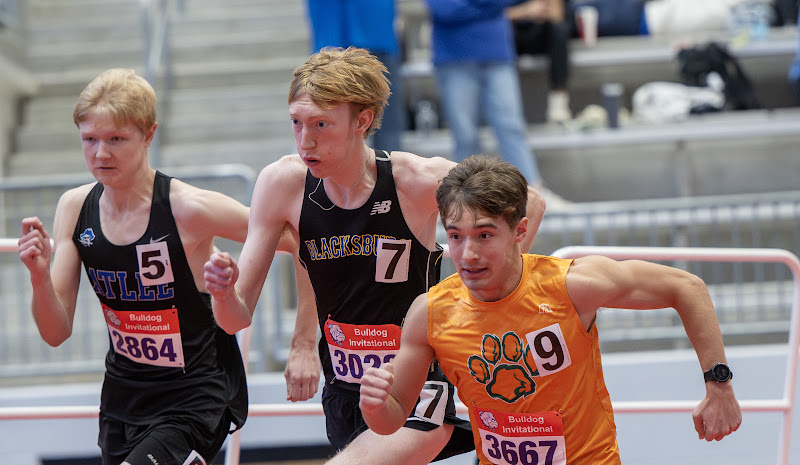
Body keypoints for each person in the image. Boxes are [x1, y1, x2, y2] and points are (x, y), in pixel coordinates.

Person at [202, 47, 546, 463]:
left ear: (362, 121)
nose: (305, 140)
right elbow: (236, 317)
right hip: (345, 391)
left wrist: (482, 297)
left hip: (418, 389)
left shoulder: (414, 180)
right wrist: (222, 294)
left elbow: (529, 201)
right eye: (296, 123)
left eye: (321, 125)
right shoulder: (281, 184)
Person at [359, 155, 743, 464]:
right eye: (455, 237)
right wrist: (374, 404)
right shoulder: (430, 312)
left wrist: (719, 385)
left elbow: (686, 287)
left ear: (520, 231)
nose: (467, 254)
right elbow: (391, 420)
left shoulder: (572, 285)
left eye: (484, 235)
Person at [17, 68, 270, 465]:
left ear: (149, 134)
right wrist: (38, 278)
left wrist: (290, 327)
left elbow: (294, 233)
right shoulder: (74, 208)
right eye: (90, 140)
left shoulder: (188, 207)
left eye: (116, 139)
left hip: (192, 400)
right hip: (121, 401)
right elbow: (54, 333)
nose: (101, 153)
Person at [423, 0, 546, 191]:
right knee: (465, 135)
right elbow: (443, 9)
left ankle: (532, 192)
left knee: (511, 128)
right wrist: (491, 7)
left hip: (497, 54)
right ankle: (468, 197)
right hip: (454, 58)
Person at [305, 0, 406, 151]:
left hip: (376, 32)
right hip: (333, 38)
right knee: (330, 123)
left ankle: (388, 170)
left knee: (386, 121)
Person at [508, 0, 573, 123]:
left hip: (541, 32)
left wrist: (540, 14)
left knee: (559, 30)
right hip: (512, 35)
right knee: (500, 34)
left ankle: (559, 100)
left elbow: (557, 15)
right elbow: (494, 16)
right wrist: (526, 11)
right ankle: (506, 104)